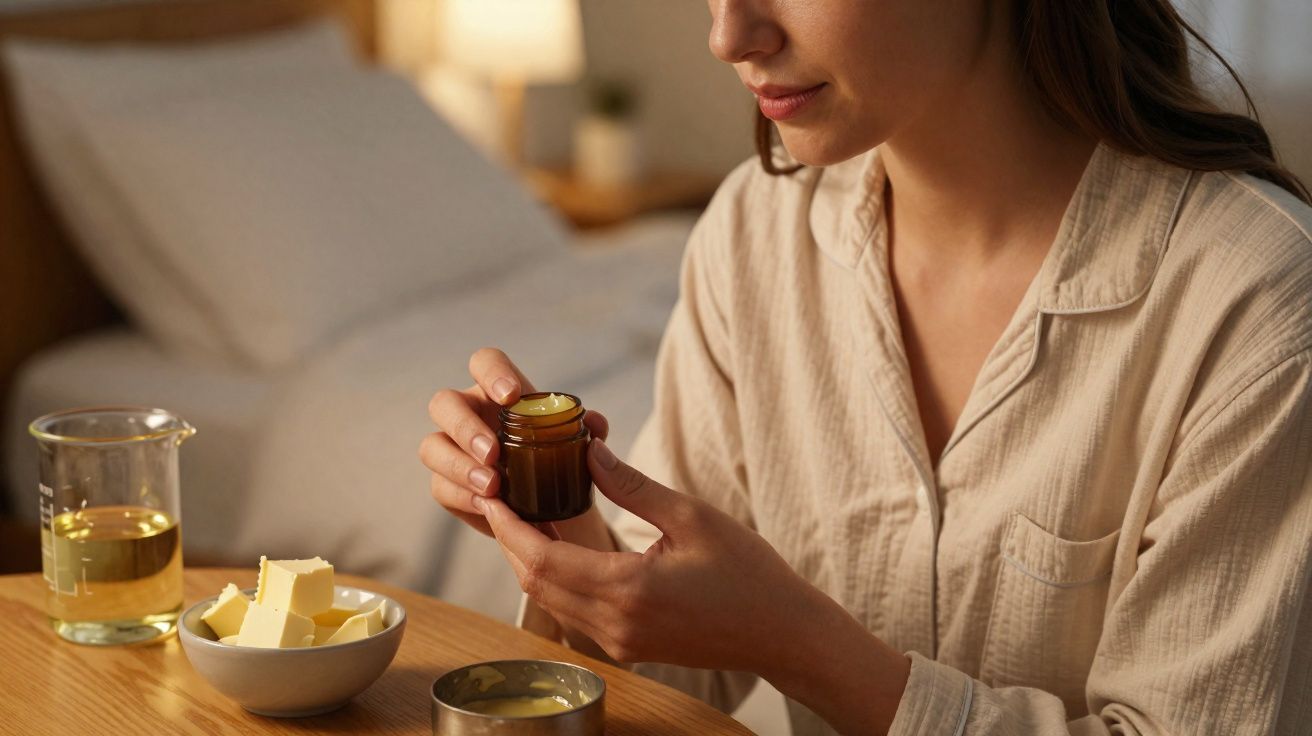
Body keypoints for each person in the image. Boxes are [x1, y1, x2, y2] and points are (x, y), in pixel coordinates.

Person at [419, 1, 1312, 733]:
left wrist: (806, 646)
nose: (729, 36)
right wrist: (557, 509)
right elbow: (676, 679)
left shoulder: (1255, 301)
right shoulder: (753, 233)